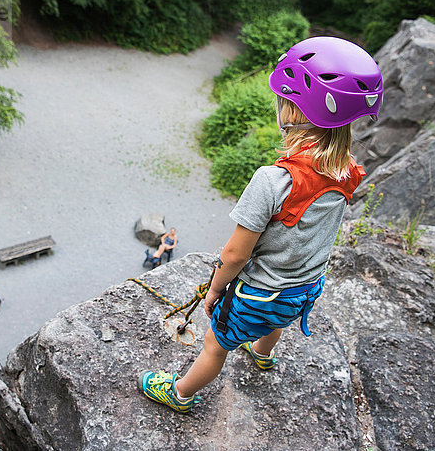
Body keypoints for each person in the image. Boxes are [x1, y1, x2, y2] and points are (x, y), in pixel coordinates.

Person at [137, 36, 383, 413]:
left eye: (284, 98)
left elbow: (235, 254)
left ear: (296, 111)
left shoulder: (272, 180)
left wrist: (215, 290)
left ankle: (181, 393)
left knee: (215, 346)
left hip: (260, 294)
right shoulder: (348, 170)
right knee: (277, 319)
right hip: (304, 288)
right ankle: (262, 354)